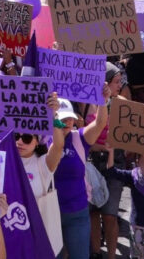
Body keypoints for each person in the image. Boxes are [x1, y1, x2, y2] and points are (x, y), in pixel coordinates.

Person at [50, 85, 112, 259]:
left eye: (69, 119)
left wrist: (103, 101)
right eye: (60, 119)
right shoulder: (41, 140)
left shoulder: (80, 139)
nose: (65, 123)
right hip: (49, 214)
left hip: (77, 213)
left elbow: (100, 124)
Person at [89, 63, 127, 259]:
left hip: (115, 163)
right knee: (93, 212)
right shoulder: (88, 103)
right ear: (105, 83)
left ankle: (111, 256)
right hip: (92, 163)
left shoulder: (123, 103)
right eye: (117, 82)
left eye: (120, 81)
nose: (120, 85)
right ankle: (96, 253)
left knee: (110, 215)